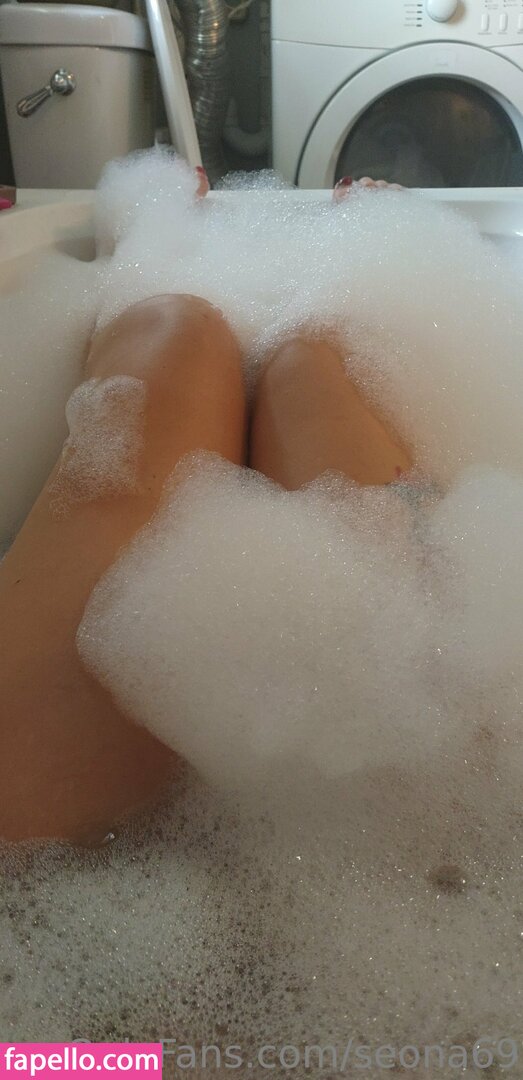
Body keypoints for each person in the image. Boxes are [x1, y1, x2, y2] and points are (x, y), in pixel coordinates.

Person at [0, 177, 411, 844]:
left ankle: (157, 246)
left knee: (177, 327)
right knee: (316, 358)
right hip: (427, 837)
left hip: (53, 860)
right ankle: (368, 262)